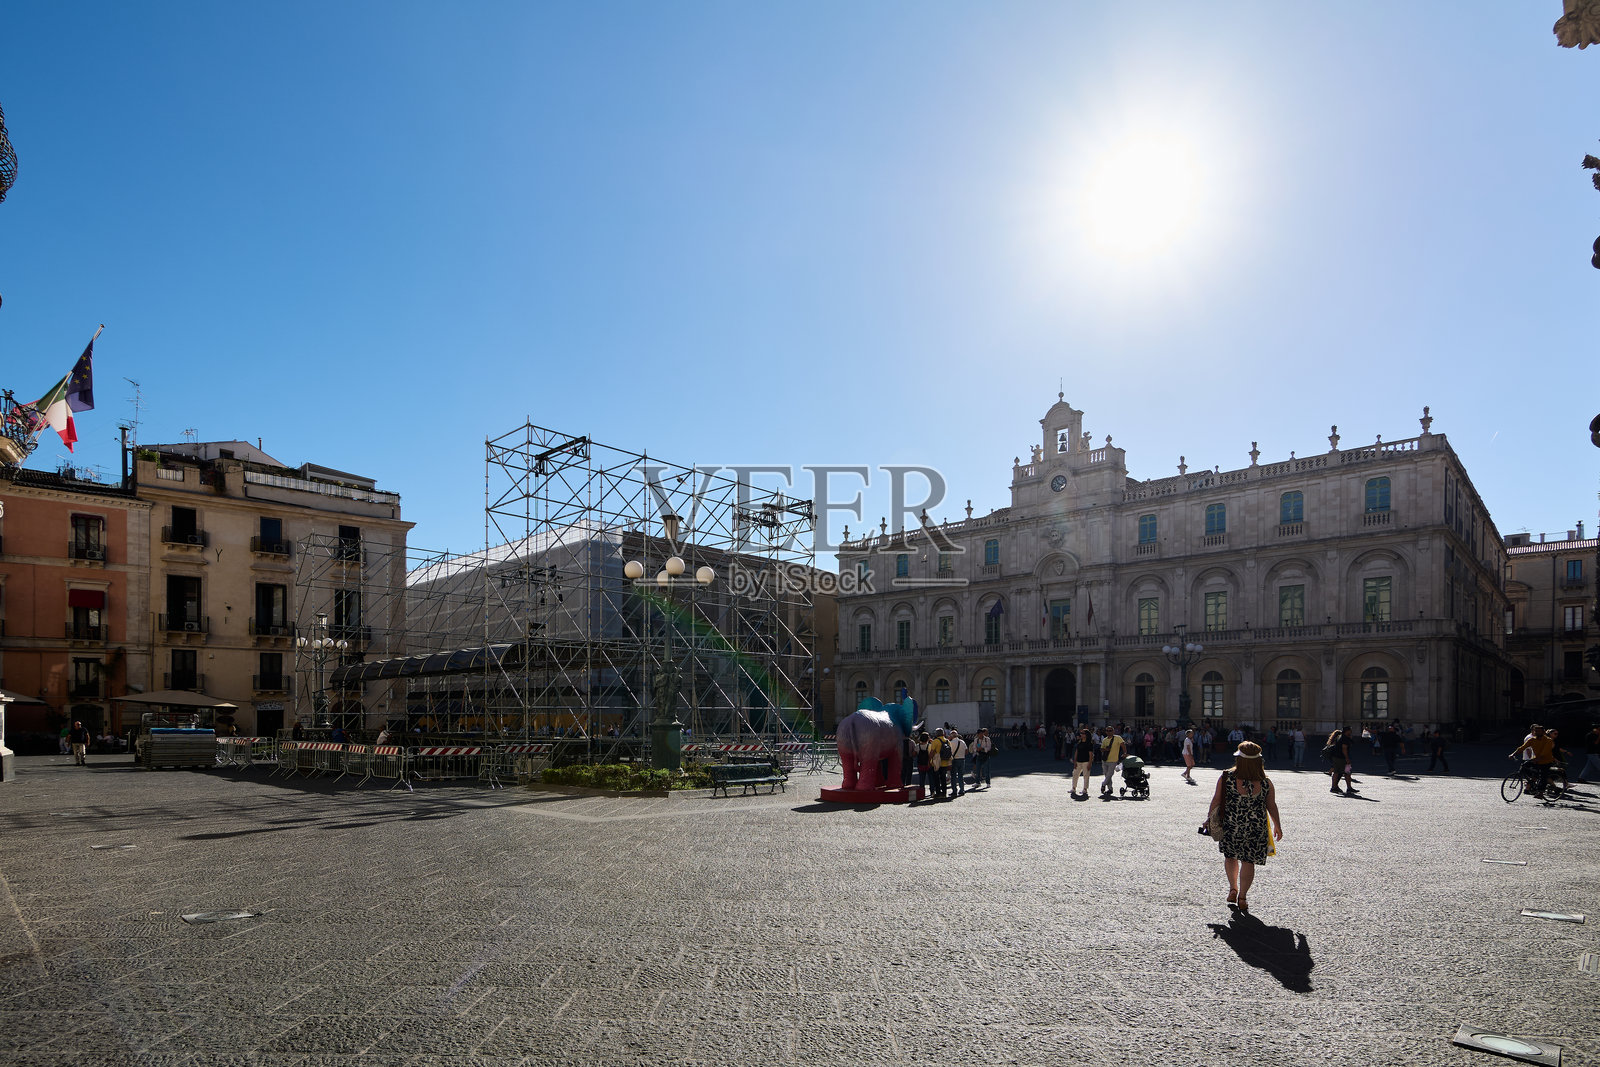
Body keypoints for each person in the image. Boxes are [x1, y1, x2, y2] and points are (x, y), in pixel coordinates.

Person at [1206, 741, 1283, 914]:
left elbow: (1216, 800)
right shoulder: (1265, 782)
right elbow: (1271, 805)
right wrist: (1277, 825)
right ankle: (1242, 897)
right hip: (1256, 829)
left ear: (1239, 760)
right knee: (1248, 862)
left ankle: (1232, 888)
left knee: (1230, 857)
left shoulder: (1227, 778)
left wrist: (1209, 819)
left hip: (1231, 826)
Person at [1509, 724, 1559, 795]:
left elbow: (1544, 753)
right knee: (1533, 773)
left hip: (1546, 761)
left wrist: (1535, 759)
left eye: (1539, 731)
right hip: (1536, 760)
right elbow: (1522, 748)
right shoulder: (1532, 740)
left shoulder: (1548, 741)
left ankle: (1540, 793)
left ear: (1543, 732)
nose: (1537, 733)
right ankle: (1529, 787)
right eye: (1536, 731)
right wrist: (1513, 754)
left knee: (1543, 776)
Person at [1327, 728, 1357, 795]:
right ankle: (1335, 787)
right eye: (1350, 731)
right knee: (1340, 772)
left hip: (1338, 757)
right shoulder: (1344, 738)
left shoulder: (1341, 737)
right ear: (1347, 731)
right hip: (1341, 758)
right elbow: (1344, 749)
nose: (1351, 732)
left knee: (1346, 772)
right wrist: (1347, 758)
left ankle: (1347, 787)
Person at [1100, 726, 1126, 797]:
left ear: (1113, 731)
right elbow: (1101, 749)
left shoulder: (1118, 738)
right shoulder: (1104, 740)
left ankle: (1103, 784)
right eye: (1107, 731)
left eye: (1110, 730)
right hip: (1105, 760)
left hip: (1113, 760)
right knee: (1107, 775)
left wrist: (1125, 753)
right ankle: (1110, 789)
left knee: (1110, 774)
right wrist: (1105, 749)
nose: (1109, 732)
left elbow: (1123, 745)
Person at [1070, 729, 1095, 799]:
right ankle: (1073, 788)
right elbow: (1076, 752)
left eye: (1083, 733)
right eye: (1081, 733)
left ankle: (1085, 789)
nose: (1081, 734)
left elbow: (1091, 754)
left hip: (1086, 761)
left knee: (1086, 775)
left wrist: (1090, 763)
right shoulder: (1079, 743)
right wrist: (1075, 761)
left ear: (1086, 735)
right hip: (1078, 761)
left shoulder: (1089, 744)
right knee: (1075, 774)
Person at [948, 730, 968, 797]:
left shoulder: (950, 743)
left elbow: (948, 752)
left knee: (953, 776)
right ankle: (962, 790)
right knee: (960, 775)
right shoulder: (962, 742)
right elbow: (966, 751)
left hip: (954, 760)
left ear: (951, 736)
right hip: (962, 759)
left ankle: (954, 791)